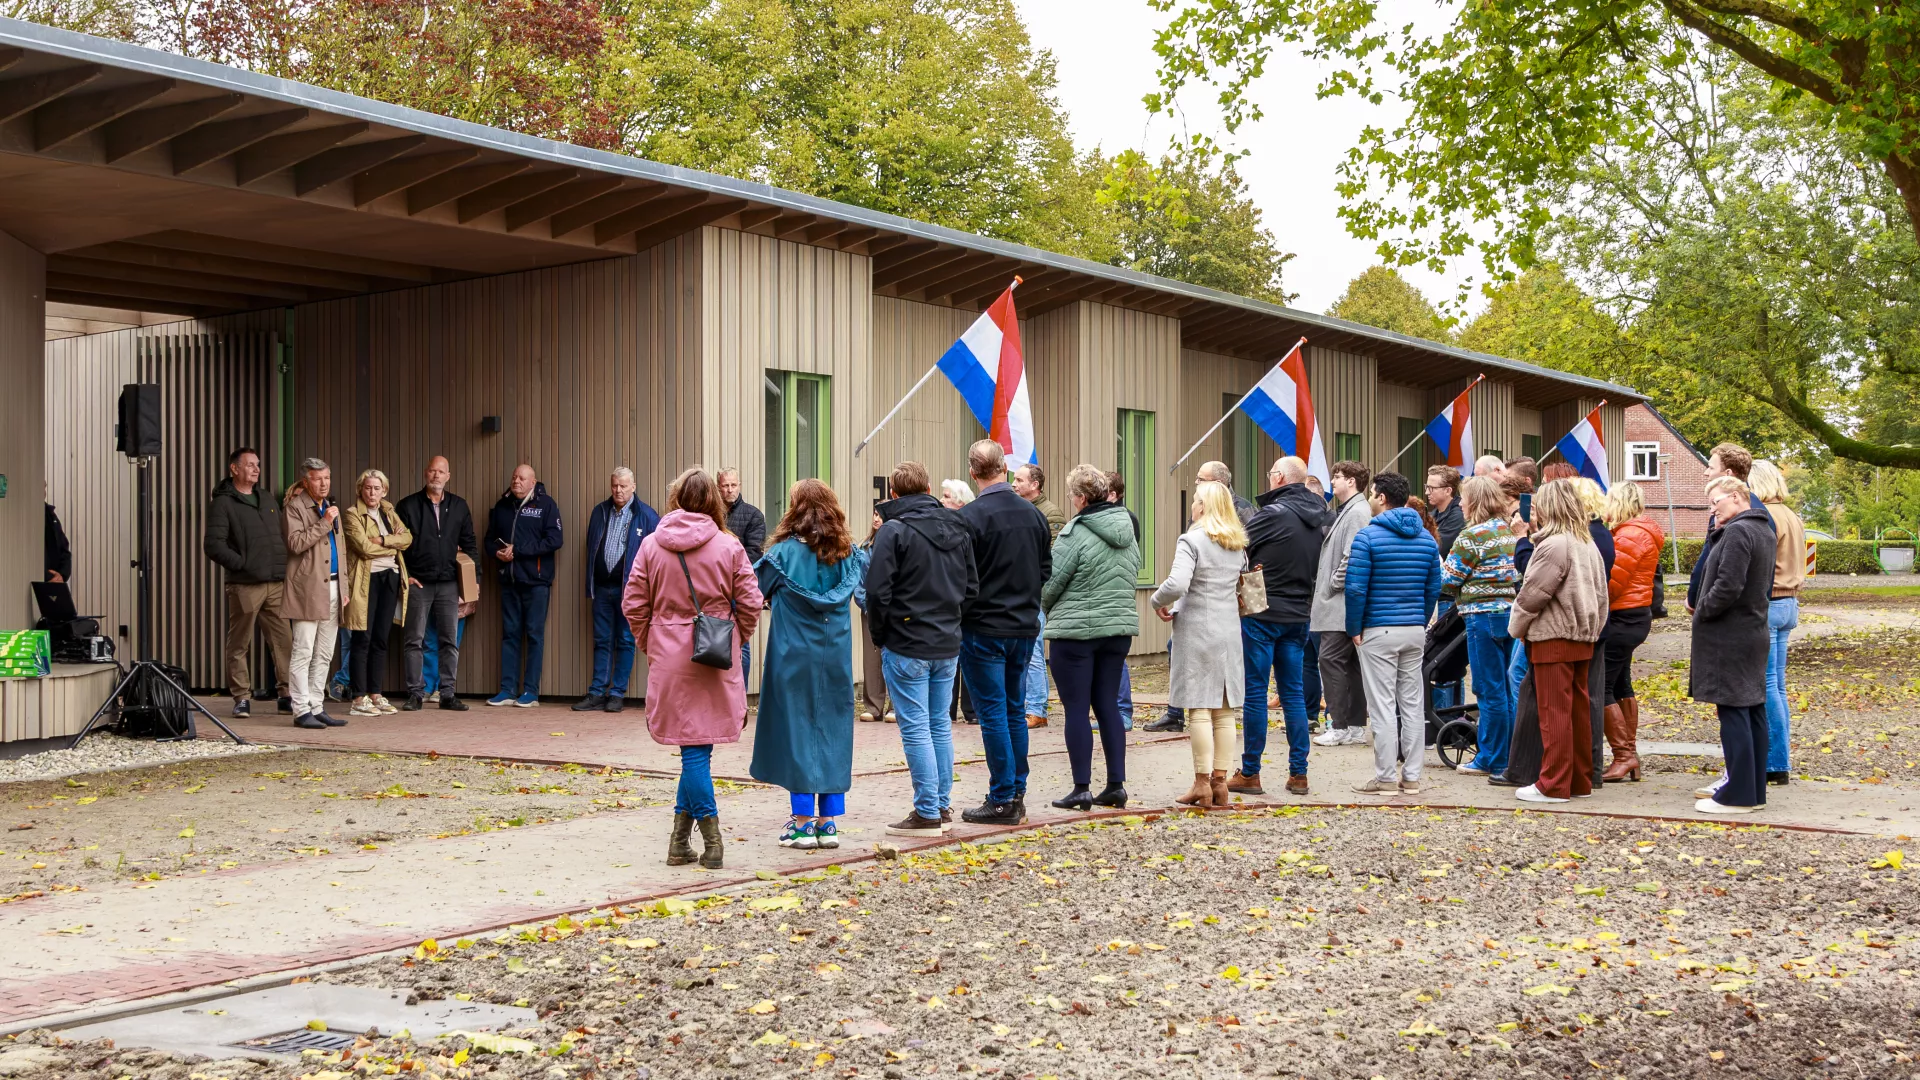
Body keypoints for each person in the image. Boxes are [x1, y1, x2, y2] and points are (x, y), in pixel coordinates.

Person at [624, 467, 764, 868]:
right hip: (716, 651)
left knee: (693, 747)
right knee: (697, 749)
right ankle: (712, 840)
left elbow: (633, 603)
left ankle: (679, 841)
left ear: (677, 498)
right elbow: (751, 601)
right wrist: (738, 636)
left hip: (668, 653)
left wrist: (651, 642)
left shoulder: (652, 545)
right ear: (714, 501)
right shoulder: (729, 546)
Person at [865, 461, 977, 837]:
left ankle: (928, 810)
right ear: (928, 487)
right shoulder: (958, 526)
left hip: (907, 640)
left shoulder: (893, 531)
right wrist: (952, 619)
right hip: (946, 639)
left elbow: (877, 593)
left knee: (916, 728)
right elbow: (971, 587)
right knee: (938, 724)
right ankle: (940, 805)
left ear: (893, 494)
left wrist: (881, 636)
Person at [754, 479, 866, 851]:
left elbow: (754, 591)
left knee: (797, 732)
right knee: (833, 730)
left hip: (792, 654)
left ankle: (802, 822)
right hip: (834, 655)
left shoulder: (782, 554)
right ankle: (828, 822)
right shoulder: (849, 555)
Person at [956, 441, 1053, 826]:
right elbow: (1046, 569)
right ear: (1005, 470)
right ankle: (1016, 791)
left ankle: (1002, 797)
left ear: (972, 472)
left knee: (994, 711)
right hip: (1023, 625)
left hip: (984, 627)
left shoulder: (971, 517)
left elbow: (964, 577)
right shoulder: (1034, 515)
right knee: (1013, 708)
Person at [1040, 465, 1142, 811]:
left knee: (1076, 710)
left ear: (1081, 498)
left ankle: (1081, 787)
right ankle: (1116, 785)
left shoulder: (1075, 532)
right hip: (1117, 631)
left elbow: (1051, 583)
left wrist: (1043, 603)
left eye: (1072, 495)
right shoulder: (1127, 530)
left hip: (1076, 633)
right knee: (1108, 705)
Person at [1506, 480, 1608, 803]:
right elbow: (1602, 594)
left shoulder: (1554, 545)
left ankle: (1553, 783)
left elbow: (1532, 594)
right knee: (1577, 709)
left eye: (1539, 502)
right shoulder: (1586, 542)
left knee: (1554, 713)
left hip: (1553, 635)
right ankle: (1578, 780)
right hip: (1581, 636)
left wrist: (1516, 626)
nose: (1533, 508)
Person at [1233, 455, 1329, 797]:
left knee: (1256, 692)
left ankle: (1250, 772)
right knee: (1293, 694)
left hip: (1263, 611)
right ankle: (1299, 773)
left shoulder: (1272, 515)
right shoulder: (1321, 517)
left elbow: (1238, 546)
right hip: (1299, 612)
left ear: (1278, 477)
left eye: (1270, 473)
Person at [1151, 480, 1247, 808]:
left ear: (1203, 506)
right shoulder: (1237, 544)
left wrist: (1158, 600)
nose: (1192, 506)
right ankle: (1221, 783)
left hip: (1197, 631)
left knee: (1199, 708)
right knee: (1224, 710)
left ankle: (1201, 783)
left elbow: (1178, 582)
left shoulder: (1191, 540)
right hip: (1229, 631)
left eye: (1195, 500)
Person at [1345, 472, 1442, 795]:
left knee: (1383, 705)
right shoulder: (1427, 539)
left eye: (1373, 494)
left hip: (1377, 628)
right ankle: (1412, 777)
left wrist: (1353, 627)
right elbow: (1433, 588)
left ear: (1382, 498)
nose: (1371, 499)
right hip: (1414, 628)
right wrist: (1421, 618)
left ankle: (1386, 777)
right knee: (1412, 704)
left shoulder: (1367, 538)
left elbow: (1356, 588)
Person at [1688, 476, 1776, 814]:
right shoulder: (1763, 529)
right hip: (1751, 631)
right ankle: (1752, 791)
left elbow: (1729, 584)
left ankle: (1737, 795)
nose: (1712, 510)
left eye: (1717, 502)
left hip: (1730, 635)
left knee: (1734, 711)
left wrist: (1703, 611)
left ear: (1738, 497)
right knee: (1752, 710)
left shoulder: (1740, 531)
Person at [204, 447, 293, 717]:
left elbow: (278, 534)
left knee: (283, 640)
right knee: (239, 642)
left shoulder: (265, 497)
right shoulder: (223, 503)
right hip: (244, 584)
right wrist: (243, 565)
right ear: (234, 469)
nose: (256, 469)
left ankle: (286, 694)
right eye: (250, 465)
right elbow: (213, 545)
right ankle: (241, 697)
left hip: (275, 582)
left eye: (257, 465)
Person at [1442, 476, 1520, 777]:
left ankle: (1491, 757)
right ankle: (1510, 752)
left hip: (1480, 615)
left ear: (1474, 502)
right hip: (1509, 614)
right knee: (1508, 688)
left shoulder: (1471, 536)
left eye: (1464, 498)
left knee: (1489, 690)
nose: (1461, 503)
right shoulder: (1509, 532)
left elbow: (1448, 581)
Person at [395, 456, 476, 712]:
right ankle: (415, 694)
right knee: (414, 640)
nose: (436, 476)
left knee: (449, 641)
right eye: (432, 471)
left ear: (448, 476)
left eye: (441, 472)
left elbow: (470, 545)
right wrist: (403, 575)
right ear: (425, 473)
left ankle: (448, 694)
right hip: (418, 582)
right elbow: (397, 547)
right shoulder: (407, 506)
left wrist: (472, 588)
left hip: (450, 583)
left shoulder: (459, 506)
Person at [579, 468, 661, 712]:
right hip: (602, 589)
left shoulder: (646, 516)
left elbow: (656, 557)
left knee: (625, 640)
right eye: (615, 485)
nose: (618, 490)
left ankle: (616, 694)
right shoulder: (600, 512)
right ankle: (596, 692)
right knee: (602, 640)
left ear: (633, 486)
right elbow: (590, 546)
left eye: (624, 486)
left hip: (631, 592)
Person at [1599, 481, 1663, 781]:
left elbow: (1613, 584)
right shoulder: (1637, 532)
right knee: (1621, 683)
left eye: (1609, 500)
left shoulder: (1629, 536)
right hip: (1635, 615)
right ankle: (1629, 755)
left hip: (1623, 617)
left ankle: (1624, 755)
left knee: (1601, 687)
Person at [484, 464, 563, 707]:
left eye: (522, 478)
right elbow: (488, 540)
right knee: (510, 635)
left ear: (533, 482)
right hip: (509, 580)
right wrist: (499, 553)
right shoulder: (502, 505)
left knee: (534, 636)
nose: (516, 481)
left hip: (536, 583)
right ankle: (507, 690)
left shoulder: (546, 505)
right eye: (514, 477)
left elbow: (555, 540)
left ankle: (530, 692)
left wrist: (518, 551)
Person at [1310, 460, 1374, 747]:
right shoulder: (1353, 510)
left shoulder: (1357, 512)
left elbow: (1353, 555)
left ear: (1351, 481)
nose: (1332, 482)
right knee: (1349, 664)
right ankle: (1355, 726)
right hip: (1342, 602)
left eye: (1337, 477)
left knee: (1331, 659)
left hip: (1341, 603)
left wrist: (1334, 583)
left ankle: (1340, 726)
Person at [1749, 460, 1805, 786]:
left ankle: (1775, 762)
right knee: (1778, 685)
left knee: (1767, 684)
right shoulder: (1793, 516)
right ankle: (1780, 758)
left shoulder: (1767, 516)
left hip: (1769, 602)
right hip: (1790, 603)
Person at [282, 458, 346, 730]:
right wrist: (324, 523)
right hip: (308, 589)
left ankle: (317, 706)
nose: (324, 484)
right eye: (318, 479)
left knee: (324, 652)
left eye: (327, 478)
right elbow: (295, 544)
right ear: (306, 481)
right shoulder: (295, 507)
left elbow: (340, 549)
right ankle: (300, 709)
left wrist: (344, 586)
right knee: (303, 651)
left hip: (333, 586)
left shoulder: (330, 507)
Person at [342, 469, 412, 717]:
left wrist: (382, 541)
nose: (372, 492)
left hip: (390, 578)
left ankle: (375, 694)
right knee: (363, 638)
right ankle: (358, 698)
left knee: (381, 638)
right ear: (360, 489)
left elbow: (407, 538)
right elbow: (362, 547)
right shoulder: (351, 515)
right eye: (368, 487)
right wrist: (392, 545)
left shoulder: (389, 512)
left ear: (384, 490)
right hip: (366, 580)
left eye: (377, 488)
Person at [1012, 462, 1061, 729]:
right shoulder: (1022, 509)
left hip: (1036, 594)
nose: (1014, 484)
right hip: (1022, 591)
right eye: (1014, 479)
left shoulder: (1050, 514)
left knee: (1033, 655)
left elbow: (1052, 559)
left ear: (1035, 485)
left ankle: (1037, 708)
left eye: (1020, 480)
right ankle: (1026, 705)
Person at [718, 467, 767, 679]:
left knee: (741, 645)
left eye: (733, 485)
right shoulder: (710, 515)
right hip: (714, 586)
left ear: (740, 485)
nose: (729, 490)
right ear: (718, 488)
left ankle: (741, 696)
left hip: (739, 588)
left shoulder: (753, 515)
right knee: (713, 641)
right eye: (725, 486)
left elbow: (754, 554)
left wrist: (728, 570)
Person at [938, 479, 980, 727]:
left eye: (947, 497)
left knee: (968, 657)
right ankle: (949, 709)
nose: (941, 501)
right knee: (951, 657)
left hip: (964, 601)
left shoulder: (968, 528)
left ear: (960, 502)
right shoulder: (940, 524)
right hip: (952, 602)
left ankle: (971, 709)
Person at [1105, 470, 1139, 731]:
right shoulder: (1128, 518)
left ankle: (1122, 710)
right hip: (1117, 594)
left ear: (1113, 494)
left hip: (1114, 595)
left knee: (1116, 656)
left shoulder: (1124, 520)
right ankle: (1116, 710)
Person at [856, 509, 893, 724]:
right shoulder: (864, 547)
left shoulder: (897, 541)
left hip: (894, 609)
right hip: (870, 608)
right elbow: (859, 583)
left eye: (882, 515)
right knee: (872, 657)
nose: (877, 518)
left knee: (896, 655)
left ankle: (895, 706)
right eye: (875, 514)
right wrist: (866, 604)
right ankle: (873, 705)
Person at [1426, 466, 1465, 557]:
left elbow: (1439, 548)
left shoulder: (1459, 515)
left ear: (1448, 491)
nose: (1427, 492)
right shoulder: (1433, 514)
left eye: (1432, 488)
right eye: (1427, 487)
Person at [44, 496, 72, 584]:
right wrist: (47, 575)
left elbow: (64, 549)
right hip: (35, 579)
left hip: (55, 582)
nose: (43, 492)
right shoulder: (24, 515)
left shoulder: (50, 515)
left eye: (44, 487)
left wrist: (61, 575)